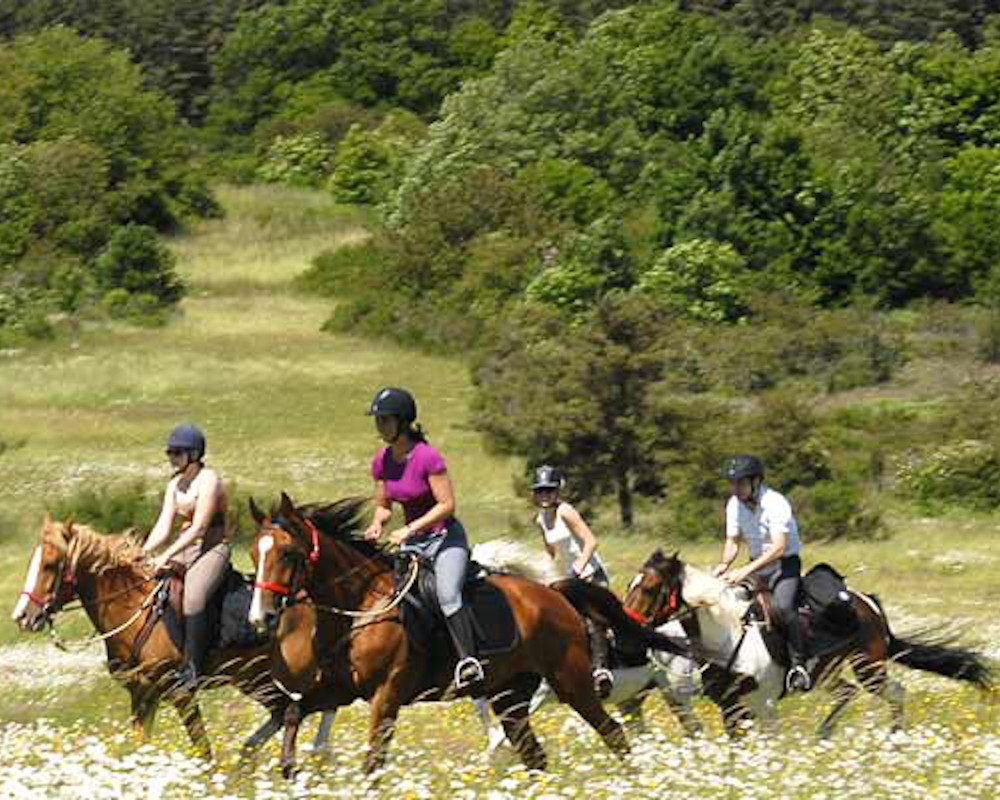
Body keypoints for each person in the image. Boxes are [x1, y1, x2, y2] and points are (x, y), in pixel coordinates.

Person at [363, 387, 484, 690]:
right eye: (377, 420)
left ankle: (469, 661)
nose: (379, 426)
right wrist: (377, 523)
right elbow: (383, 504)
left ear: (402, 422)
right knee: (392, 597)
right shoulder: (382, 461)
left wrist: (410, 528)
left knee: (447, 594)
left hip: (445, 539)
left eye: (384, 420)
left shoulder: (427, 457)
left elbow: (447, 505)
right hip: (413, 544)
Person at [142, 423, 230, 691]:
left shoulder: (209, 480)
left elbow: (200, 527)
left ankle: (193, 667)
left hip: (213, 547)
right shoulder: (174, 486)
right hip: (186, 547)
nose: (171, 459)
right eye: (170, 453)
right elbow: (163, 526)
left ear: (194, 454)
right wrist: (143, 553)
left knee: (193, 597)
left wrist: (167, 554)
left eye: (177, 453)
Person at [712, 454, 811, 692]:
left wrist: (745, 570)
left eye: (740, 483)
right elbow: (733, 541)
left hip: (784, 564)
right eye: (732, 483)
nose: (735, 488)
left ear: (756, 481)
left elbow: (779, 548)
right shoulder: (734, 505)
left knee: (782, 609)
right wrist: (724, 564)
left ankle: (799, 666)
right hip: (757, 564)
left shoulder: (776, 503)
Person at [532, 465, 614, 698]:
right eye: (540, 491)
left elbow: (591, 541)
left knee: (592, 617)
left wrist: (580, 567)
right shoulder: (540, 519)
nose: (544, 495)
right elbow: (551, 551)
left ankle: (601, 670)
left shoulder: (566, 511)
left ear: (558, 491)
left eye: (549, 490)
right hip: (568, 578)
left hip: (590, 574)